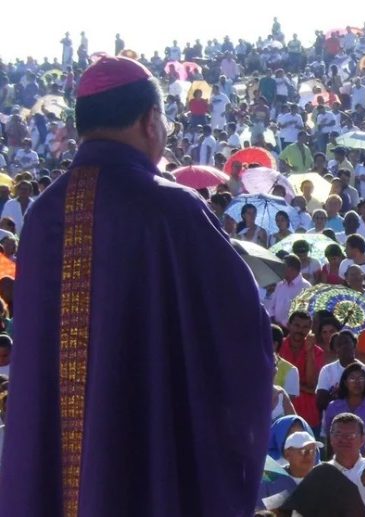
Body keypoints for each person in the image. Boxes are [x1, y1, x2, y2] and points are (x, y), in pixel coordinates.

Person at [0, 56, 274, 513]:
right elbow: (241, 335)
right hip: (144, 460)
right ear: (151, 121)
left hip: (59, 472)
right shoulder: (172, 208)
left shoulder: (43, 213)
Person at [322, 362, 365, 445]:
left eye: (361, 378)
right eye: (352, 378)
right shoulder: (333, 407)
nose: (357, 382)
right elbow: (329, 438)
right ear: (345, 383)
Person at [317, 330, 365, 412]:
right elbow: (321, 402)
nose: (343, 347)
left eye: (346, 342)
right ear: (334, 350)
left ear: (355, 344)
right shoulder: (327, 370)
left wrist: (337, 397)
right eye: (339, 345)